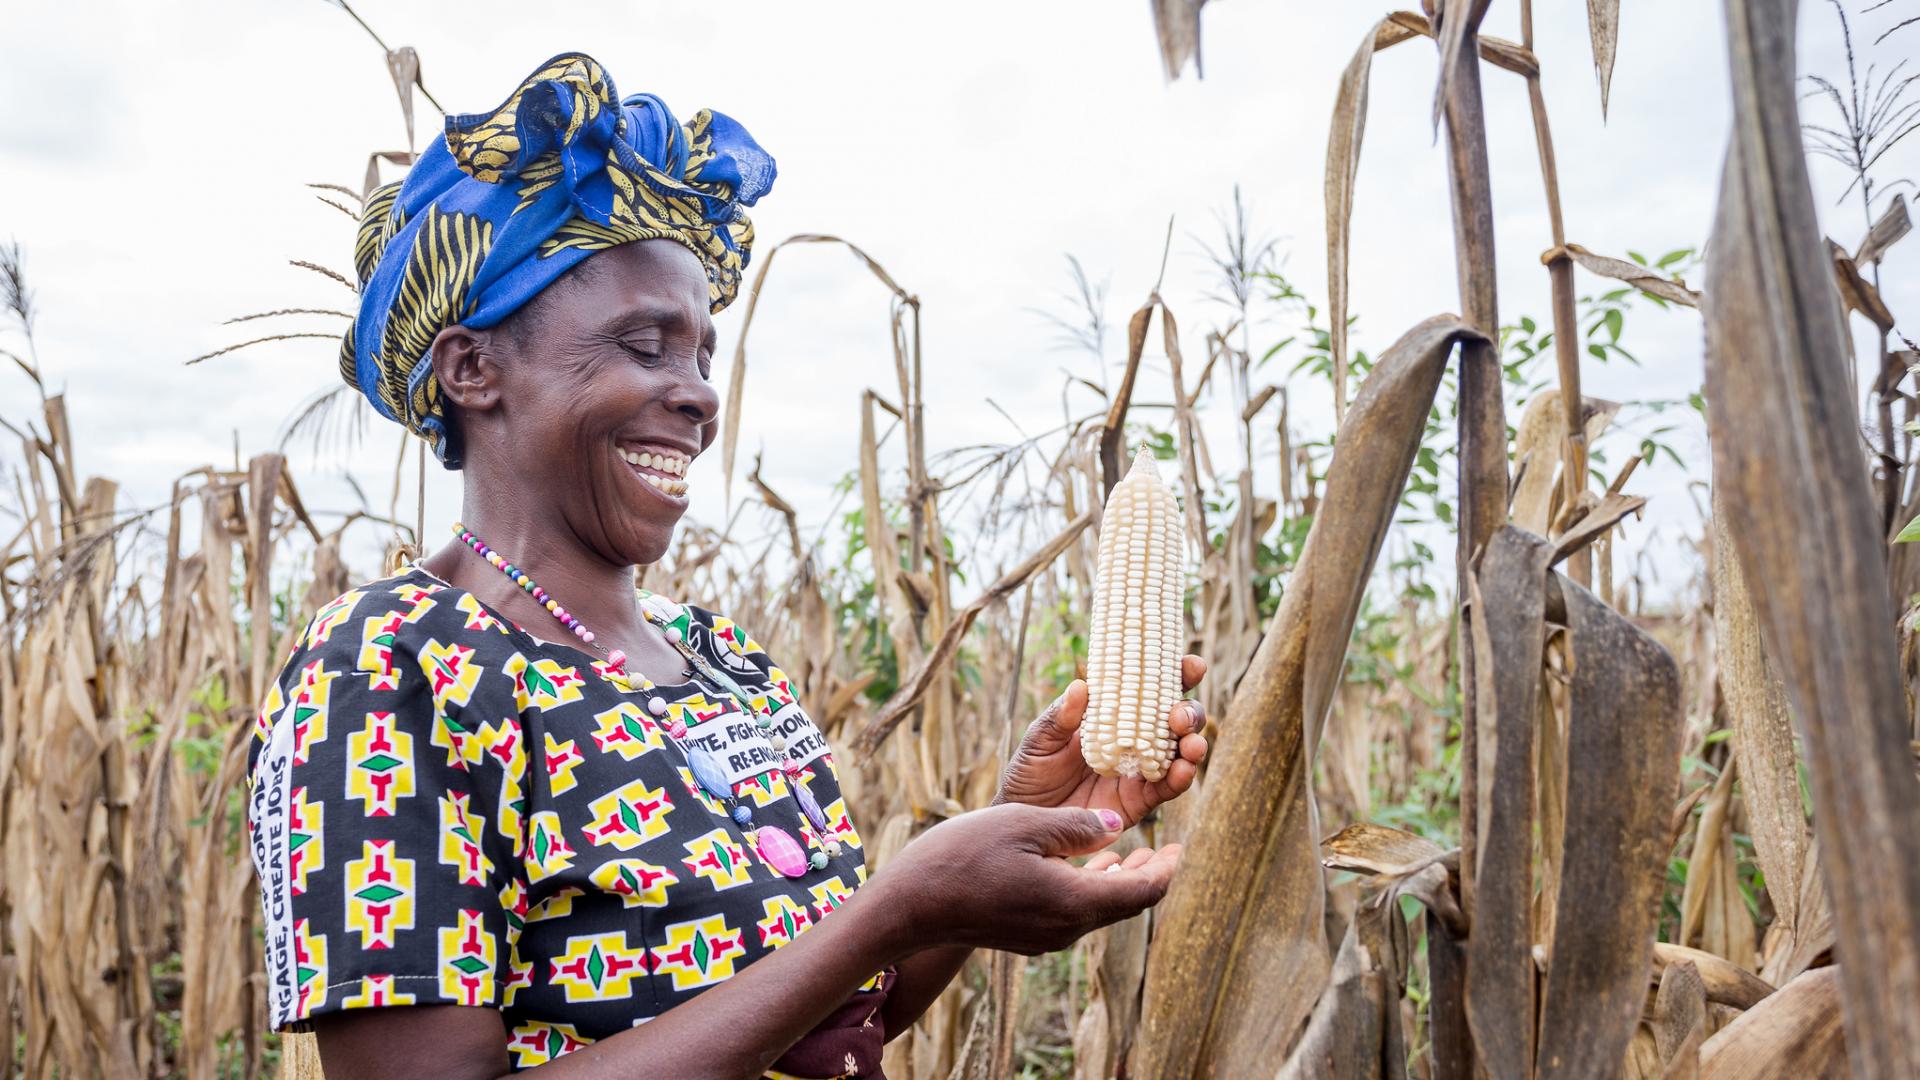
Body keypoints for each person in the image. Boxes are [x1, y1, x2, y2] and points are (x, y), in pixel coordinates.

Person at [245, 52, 1209, 1080]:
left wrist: (1025, 823)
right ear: (471, 369)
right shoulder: (386, 669)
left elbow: (843, 1026)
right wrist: (894, 908)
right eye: (645, 346)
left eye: (703, 356)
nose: (700, 395)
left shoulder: (719, 660)